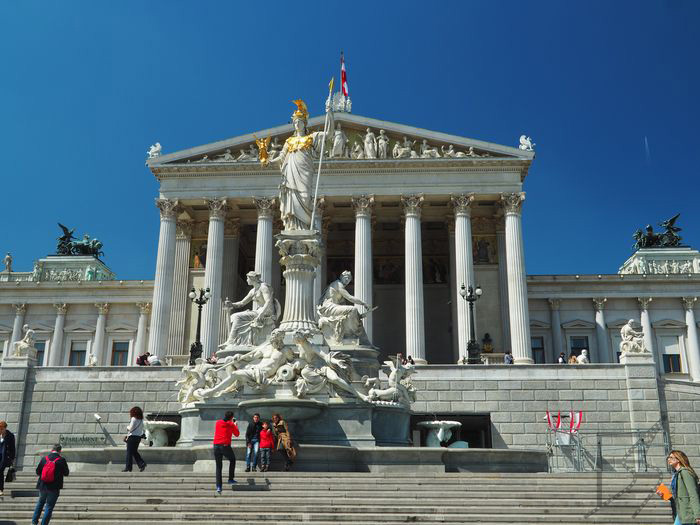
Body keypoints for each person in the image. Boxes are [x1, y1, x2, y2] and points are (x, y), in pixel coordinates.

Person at [656, 450, 700, 525]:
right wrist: (662, 494)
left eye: (671, 457)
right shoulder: (676, 475)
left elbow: (693, 494)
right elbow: (673, 494)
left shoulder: (685, 472)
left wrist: (697, 515)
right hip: (680, 512)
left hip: (689, 513)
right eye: (668, 457)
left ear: (678, 459)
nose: (668, 459)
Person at [32, 443, 69, 525]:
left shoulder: (44, 459)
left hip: (43, 486)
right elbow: (66, 473)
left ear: (52, 450)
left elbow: (38, 471)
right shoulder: (61, 460)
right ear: (60, 451)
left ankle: (34, 522)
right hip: (54, 488)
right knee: (49, 507)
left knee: (40, 503)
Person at [213, 411, 240, 494]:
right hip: (225, 446)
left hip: (216, 445)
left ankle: (219, 487)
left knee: (218, 467)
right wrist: (235, 425)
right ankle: (230, 479)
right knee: (232, 459)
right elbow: (237, 434)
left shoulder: (218, 422)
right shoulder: (231, 424)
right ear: (232, 417)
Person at [123, 406, 147, 472]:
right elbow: (141, 429)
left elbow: (130, 428)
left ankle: (128, 468)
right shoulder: (141, 420)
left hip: (132, 437)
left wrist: (127, 427)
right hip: (138, 438)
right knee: (134, 452)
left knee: (129, 453)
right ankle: (141, 464)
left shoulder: (133, 419)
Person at [0, 420, 16, 496]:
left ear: (5, 428)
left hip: (4, 457)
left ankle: (1, 489)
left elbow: (13, 448)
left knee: (0, 471)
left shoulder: (10, 436)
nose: (0, 431)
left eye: (1, 429)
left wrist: (12, 458)